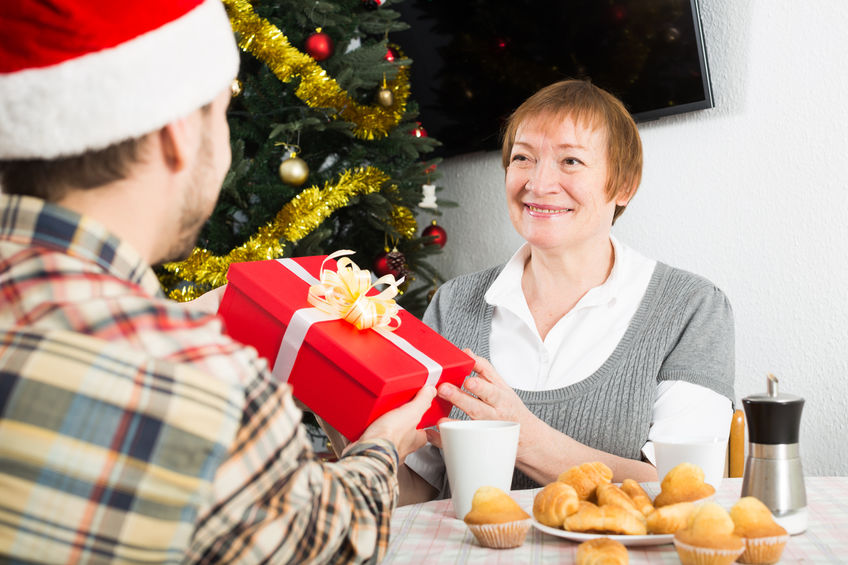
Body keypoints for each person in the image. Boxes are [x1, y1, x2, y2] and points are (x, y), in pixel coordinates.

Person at [0, 1, 436, 562]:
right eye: (221, 110)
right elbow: (323, 543)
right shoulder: (200, 379)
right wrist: (381, 450)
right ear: (176, 134)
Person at [401, 80, 735, 502]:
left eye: (570, 161)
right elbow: (420, 495)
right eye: (522, 157)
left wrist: (522, 439)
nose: (538, 184)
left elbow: (688, 492)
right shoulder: (452, 305)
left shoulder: (692, 309)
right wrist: (343, 419)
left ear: (624, 185)